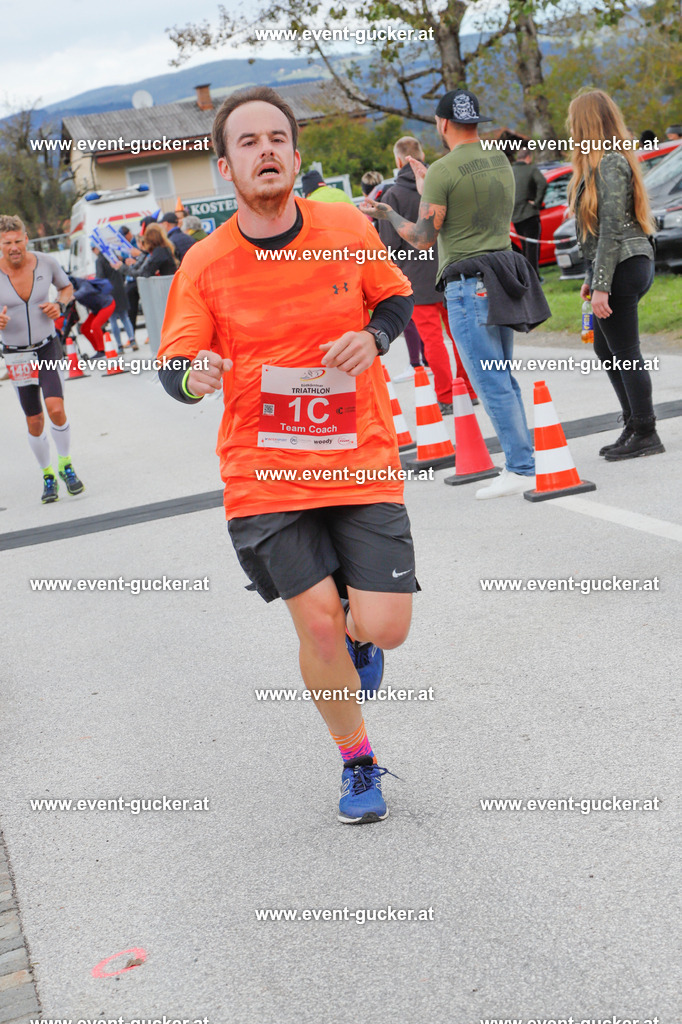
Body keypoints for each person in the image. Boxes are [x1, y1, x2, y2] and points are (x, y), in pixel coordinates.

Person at [157, 86, 416, 825]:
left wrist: (374, 338)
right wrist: (190, 373)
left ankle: (360, 640)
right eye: (248, 142)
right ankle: (358, 763)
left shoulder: (343, 226)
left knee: (384, 625)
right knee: (319, 626)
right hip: (264, 473)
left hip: (358, 454)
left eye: (277, 138)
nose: (265, 150)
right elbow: (174, 361)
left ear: (296, 157)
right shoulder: (204, 263)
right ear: (225, 168)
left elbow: (392, 298)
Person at [362, 89, 549, 499]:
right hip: (502, 272)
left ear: (441, 124)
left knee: (488, 379)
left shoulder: (444, 171)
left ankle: (520, 466)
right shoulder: (499, 158)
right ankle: (524, 457)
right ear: (475, 122)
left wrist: (388, 213)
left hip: (468, 282)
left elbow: (423, 238)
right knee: (504, 376)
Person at [568, 89, 663, 460]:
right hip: (619, 265)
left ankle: (646, 430)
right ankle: (633, 424)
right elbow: (595, 235)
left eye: (574, 122)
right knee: (606, 346)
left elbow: (611, 230)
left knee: (625, 351)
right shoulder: (601, 163)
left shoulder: (608, 162)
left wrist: (602, 287)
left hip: (626, 264)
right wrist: (592, 278)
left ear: (585, 123)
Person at [376, 135, 477, 412]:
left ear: (399, 161)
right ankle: (468, 388)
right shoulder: (439, 184)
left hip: (415, 278)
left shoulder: (392, 195)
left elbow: (389, 244)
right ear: (421, 155)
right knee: (457, 334)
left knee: (432, 339)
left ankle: (445, 395)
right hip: (448, 268)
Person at [0, 215, 85, 503]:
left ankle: (66, 465)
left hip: (47, 347)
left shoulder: (46, 262)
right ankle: (47, 474)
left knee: (56, 408)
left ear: (26, 239)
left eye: (18, 241)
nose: (14, 247)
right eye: (7, 243)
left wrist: (59, 305)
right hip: (16, 354)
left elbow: (67, 287)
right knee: (34, 419)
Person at [94, 246, 138, 353]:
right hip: (120, 289)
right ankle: (132, 340)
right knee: (124, 317)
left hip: (109, 292)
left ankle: (119, 345)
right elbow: (122, 271)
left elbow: (100, 277)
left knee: (113, 319)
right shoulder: (113, 255)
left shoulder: (100, 260)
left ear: (96, 248)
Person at [511, 148, 547, 279]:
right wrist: (537, 202)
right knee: (532, 247)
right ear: (528, 157)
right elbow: (542, 183)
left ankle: (526, 275)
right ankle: (534, 277)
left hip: (515, 216)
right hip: (529, 213)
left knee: (525, 247)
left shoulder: (510, 171)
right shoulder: (531, 169)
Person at [68, 274, 115, 356]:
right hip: (97, 309)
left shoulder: (83, 284)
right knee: (84, 328)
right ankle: (98, 349)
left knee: (95, 326)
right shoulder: (76, 288)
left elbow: (85, 290)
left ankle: (102, 350)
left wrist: (74, 296)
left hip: (107, 304)